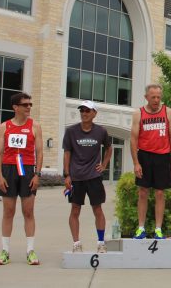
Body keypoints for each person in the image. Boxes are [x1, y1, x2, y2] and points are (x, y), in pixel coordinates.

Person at [0, 93, 43, 265]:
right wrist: (0, 175)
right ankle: (5, 252)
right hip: (8, 170)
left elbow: (39, 152)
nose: (29, 107)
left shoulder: (35, 126)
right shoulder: (5, 126)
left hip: (27, 170)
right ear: (15, 107)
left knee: (28, 212)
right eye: (25, 105)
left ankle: (30, 251)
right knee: (8, 212)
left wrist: (37, 175)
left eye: (30, 104)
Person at [62, 100, 112, 253]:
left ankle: (101, 243)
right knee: (75, 210)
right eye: (82, 110)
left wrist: (103, 165)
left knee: (97, 209)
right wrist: (67, 175)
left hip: (94, 177)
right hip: (76, 178)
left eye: (87, 111)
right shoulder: (71, 131)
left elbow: (109, 149)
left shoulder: (101, 131)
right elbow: (67, 153)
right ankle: (76, 244)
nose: (84, 113)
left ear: (94, 113)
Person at [130, 84, 171, 239]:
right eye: (153, 97)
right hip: (144, 156)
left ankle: (158, 229)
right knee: (143, 192)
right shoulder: (139, 113)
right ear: (146, 97)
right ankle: (141, 228)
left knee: (159, 193)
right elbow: (133, 138)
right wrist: (136, 163)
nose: (156, 100)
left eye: (158, 97)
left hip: (163, 156)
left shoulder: (168, 112)